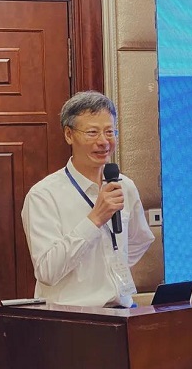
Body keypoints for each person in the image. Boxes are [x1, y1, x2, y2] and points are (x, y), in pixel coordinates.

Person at [21, 91, 155, 307]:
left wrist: (105, 273)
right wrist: (95, 219)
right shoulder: (43, 195)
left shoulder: (124, 186)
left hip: (123, 311)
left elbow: (140, 240)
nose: (103, 141)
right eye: (92, 132)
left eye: (109, 132)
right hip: (72, 316)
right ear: (69, 135)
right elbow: (47, 271)